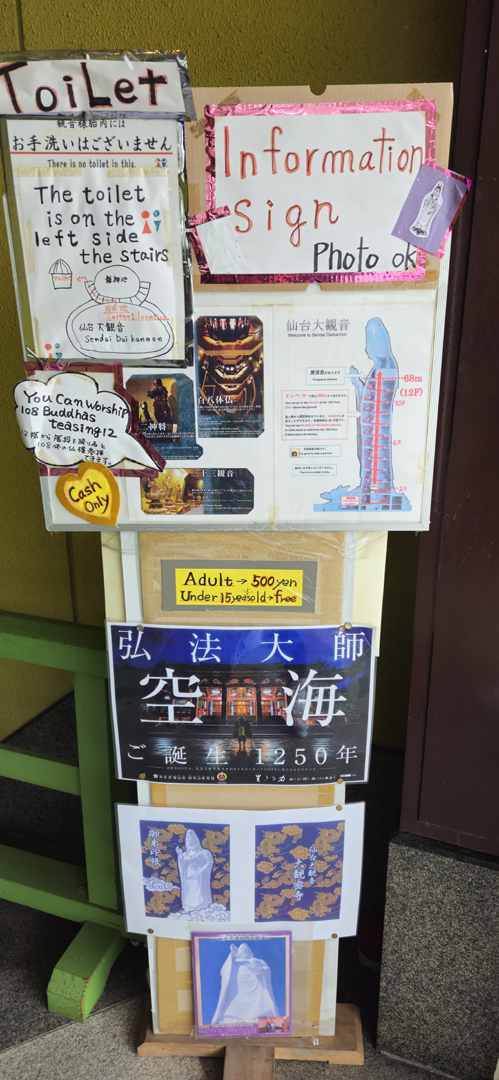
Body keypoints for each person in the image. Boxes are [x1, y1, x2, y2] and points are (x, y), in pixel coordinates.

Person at [212, 943, 278, 1025]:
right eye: (242, 949)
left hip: (256, 990)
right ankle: (233, 1018)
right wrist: (232, 955)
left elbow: (266, 969)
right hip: (236, 990)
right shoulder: (234, 962)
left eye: (246, 948)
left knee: (260, 1005)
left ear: (250, 952)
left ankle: (258, 1018)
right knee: (233, 1004)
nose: (244, 949)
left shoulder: (258, 961)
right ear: (238, 952)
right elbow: (223, 971)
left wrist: (259, 970)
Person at [176, 829, 214, 912]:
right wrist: (180, 856)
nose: (191, 842)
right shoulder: (185, 854)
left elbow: (209, 862)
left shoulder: (204, 852)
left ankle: (202, 910)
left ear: (197, 840)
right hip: (188, 880)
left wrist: (200, 873)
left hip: (200, 878)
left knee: (201, 895)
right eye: (189, 840)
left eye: (193, 840)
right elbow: (182, 866)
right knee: (188, 896)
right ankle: (188, 910)